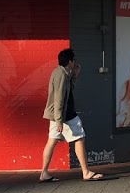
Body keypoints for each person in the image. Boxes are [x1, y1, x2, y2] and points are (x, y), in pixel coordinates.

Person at [39, 48, 103, 182]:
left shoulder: (60, 73)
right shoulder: (61, 75)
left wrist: (74, 75)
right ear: (69, 61)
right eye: (74, 60)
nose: (75, 62)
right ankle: (85, 172)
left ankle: (44, 173)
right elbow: (59, 98)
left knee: (52, 141)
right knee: (79, 138)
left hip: (58, 114)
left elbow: (68, 91)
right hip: (65, 114)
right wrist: (59, 121)